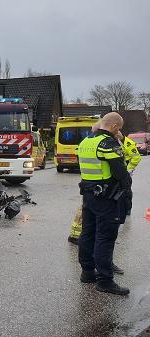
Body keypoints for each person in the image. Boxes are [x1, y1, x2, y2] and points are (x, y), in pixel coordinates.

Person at [77, 112, 131, 295]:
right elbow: (121, 172)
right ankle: (105, 280)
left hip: (89, 195)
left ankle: (87, 272)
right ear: (115, 126)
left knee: (88, 233)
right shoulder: (107, 143)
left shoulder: (85, 142)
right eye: (119, 129)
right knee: (105, 237)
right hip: (107, 197)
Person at [116, 131, 141, 218]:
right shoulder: (115, 141)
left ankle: (127, 209)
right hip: (119, 170)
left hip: (126, 170)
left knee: (126, 191)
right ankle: (119, 208)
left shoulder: (129, 143)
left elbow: (136, 157)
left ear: (120, 134)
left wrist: (129, 169)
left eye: (117, 135)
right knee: (117, 190)